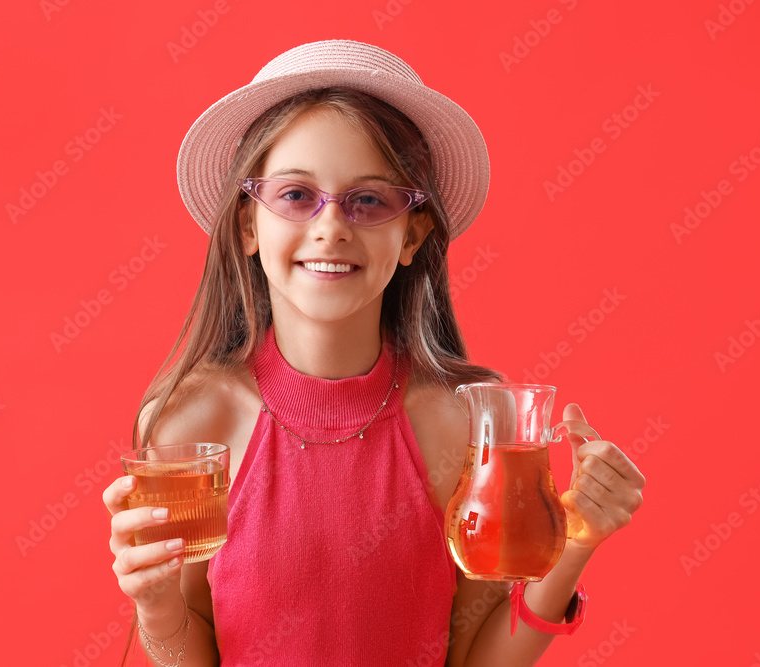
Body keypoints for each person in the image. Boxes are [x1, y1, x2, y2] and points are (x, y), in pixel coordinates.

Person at [103, 39, 645, 667]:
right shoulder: (192, 426)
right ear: (249, 226)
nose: (332, 225)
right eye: (296, 195)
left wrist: (574, 544)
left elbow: (477, 658)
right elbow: (192, 644)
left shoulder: (458, 426)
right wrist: (157, 606)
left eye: (369, 200)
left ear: (411, 234)